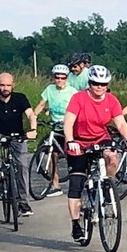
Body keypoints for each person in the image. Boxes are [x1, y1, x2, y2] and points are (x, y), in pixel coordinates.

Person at [62, 65, 127, 242]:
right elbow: (68, 123)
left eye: (103, 84)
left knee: (112, 157)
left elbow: (121, 124)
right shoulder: (78, 98)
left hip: (100, 138)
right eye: (96, 83)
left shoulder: (111, 100)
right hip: (78, 142)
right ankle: (76, 225)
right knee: (76, 184)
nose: (99, 87)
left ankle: (107, 187)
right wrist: (71, 141)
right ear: (90, 83)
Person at [0, 72, 38, 217]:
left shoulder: (20, 98)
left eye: (8, 85)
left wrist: (33, 130)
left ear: (13, 85)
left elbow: (30, 114)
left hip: (17, 134)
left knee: (22, 166)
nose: (5, 88)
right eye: (2, 85)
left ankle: (23, 202)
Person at [33, 64, 79, 197]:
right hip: (56, 126)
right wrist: (34, 117)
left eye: (62, 77)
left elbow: (77, 109)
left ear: (66, 78)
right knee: (53, 154)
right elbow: (42, 104)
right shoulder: (49, 89)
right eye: (57, 77)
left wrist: (69, 119)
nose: (59, 80)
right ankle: (56, 185)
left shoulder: (72, 91)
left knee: (74, 155)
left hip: (70, 127)